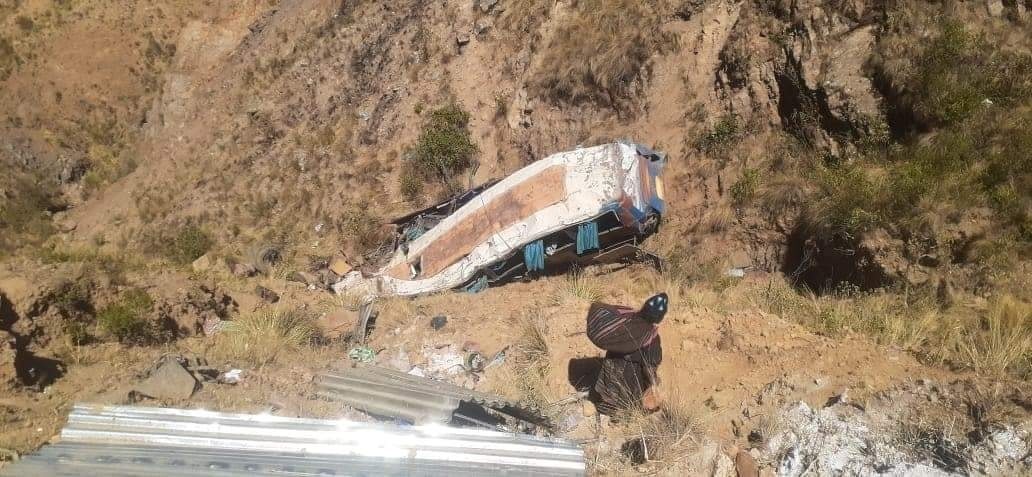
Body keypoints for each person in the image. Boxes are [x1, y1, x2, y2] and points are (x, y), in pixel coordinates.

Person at [585, 293, 668, 414]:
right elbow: (651, 364)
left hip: (609, 371)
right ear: (659, 317)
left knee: (610, 393)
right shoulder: (651, 337)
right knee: (641, 389)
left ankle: (605, 404)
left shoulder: (626, 318)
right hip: (629, 378)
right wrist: (653, 382)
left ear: (645, 307)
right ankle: (623, 412)